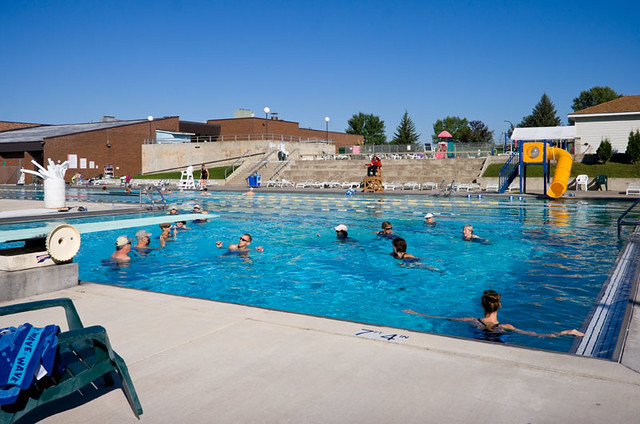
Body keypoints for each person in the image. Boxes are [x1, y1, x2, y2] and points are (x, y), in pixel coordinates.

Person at [403, 290, 584, 338]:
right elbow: (539, 335)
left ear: (482, 305)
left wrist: (416, 313)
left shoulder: (472, 321)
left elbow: (440, 318)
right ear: (499, 306)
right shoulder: (506, 327)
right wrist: (566, 332)